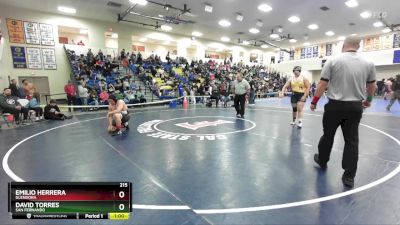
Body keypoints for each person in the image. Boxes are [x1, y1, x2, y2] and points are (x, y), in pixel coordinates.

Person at [310, 37, 377, 188]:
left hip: (334, 106)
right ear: (358, 46)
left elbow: (322, 83)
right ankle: (349, 176)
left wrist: (314, 101)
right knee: (352, 140)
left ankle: (322, 160)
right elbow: (372, 85)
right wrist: (369, 100)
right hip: (355, 107)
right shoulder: (368, 63)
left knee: (328, 136)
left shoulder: (333, 61)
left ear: (344, 45)